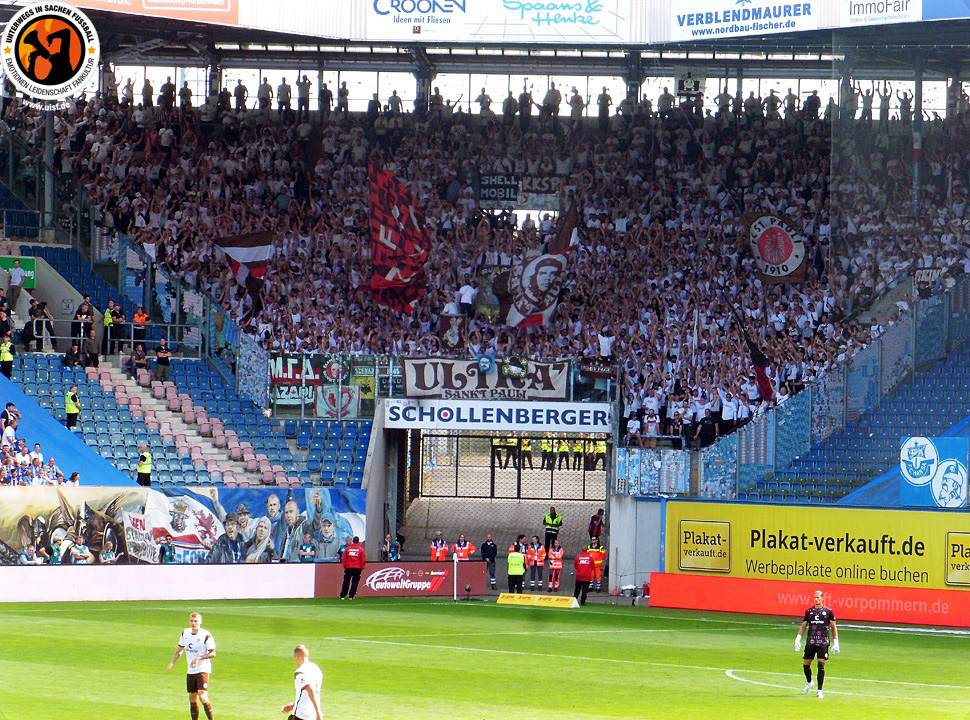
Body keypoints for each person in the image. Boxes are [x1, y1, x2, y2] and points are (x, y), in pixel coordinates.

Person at [167, 611, 217, 720]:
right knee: (192, 698)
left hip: (203, 669)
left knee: (202, 696)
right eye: (192, 621)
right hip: (191, 670)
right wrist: (172, 662)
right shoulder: (185, 633)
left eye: (196, 621)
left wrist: (199, 658)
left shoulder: (206, 635)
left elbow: (213, 653)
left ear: (200, 622)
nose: (193, 623)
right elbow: (180, 650)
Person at [795, 589, 839, 699]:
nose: (816, 599)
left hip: (823, 641)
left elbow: (833, 627)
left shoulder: (828, 612)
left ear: (822, 598)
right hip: (811, 641)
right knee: (806, 664)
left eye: (818, 597)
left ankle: (819, 690)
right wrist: (798, 639)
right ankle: (809, 682)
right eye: (814, 597)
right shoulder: (809, 612)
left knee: (821, 664)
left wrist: (836, 641)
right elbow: (804, 626)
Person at [281, 644, 323, 720]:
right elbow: (307, 695)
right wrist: (293, 705)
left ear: (296, 657)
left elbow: (310, 690)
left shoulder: (300, 672)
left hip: (300, 715)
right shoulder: (316, 669)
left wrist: (318, 711)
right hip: (312, 716)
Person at [339, 535, 365, 599]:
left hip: (348, 567)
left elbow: (344, 558)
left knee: (346, 581)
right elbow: (363, 560)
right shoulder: (360, 550)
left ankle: (342, 595)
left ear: (353, 541)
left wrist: (344, 565)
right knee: (355, 582)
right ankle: (352, 596)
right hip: (357, 568)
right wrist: (362, 567)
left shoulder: (348, 549)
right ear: (358, 542)